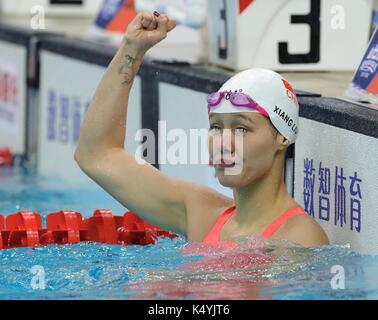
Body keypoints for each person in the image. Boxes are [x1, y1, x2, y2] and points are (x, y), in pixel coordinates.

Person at [74, 12, 329, 249]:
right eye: (216, 127)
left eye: (240, 129)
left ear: (282, 136)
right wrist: (132, 50)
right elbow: (96, 155)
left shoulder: (299, 239)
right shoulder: (201, 214)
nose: (222, 143)